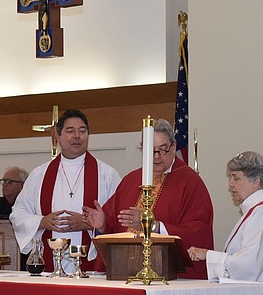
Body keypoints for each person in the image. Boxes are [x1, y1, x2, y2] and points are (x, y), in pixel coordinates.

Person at [86, 118, 213, 279]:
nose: (157, 157)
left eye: (162, 150)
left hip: (168, 274)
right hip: (126, 269)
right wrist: (103, 224)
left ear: (173, 147)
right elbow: (114, 225)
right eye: (150, 151)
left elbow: (199, 231)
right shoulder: (131, 180)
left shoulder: (190, 182)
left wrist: (154, 226)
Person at [10, 109, 121, 272]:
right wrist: (41, 221)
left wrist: (89, 224)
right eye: (70, 131)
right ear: (58, 137)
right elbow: (18, 214)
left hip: (91, 267)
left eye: (82, 131)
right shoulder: (40, 174)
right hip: (50, 263)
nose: (77, 136)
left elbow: (119, 219)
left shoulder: (106, 174)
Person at [187, 151, 263, 282]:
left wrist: (208, 255)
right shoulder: (257, 210)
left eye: (236, 178)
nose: (231, 184)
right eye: (230, 177)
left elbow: (250, 265)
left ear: (256, 181)